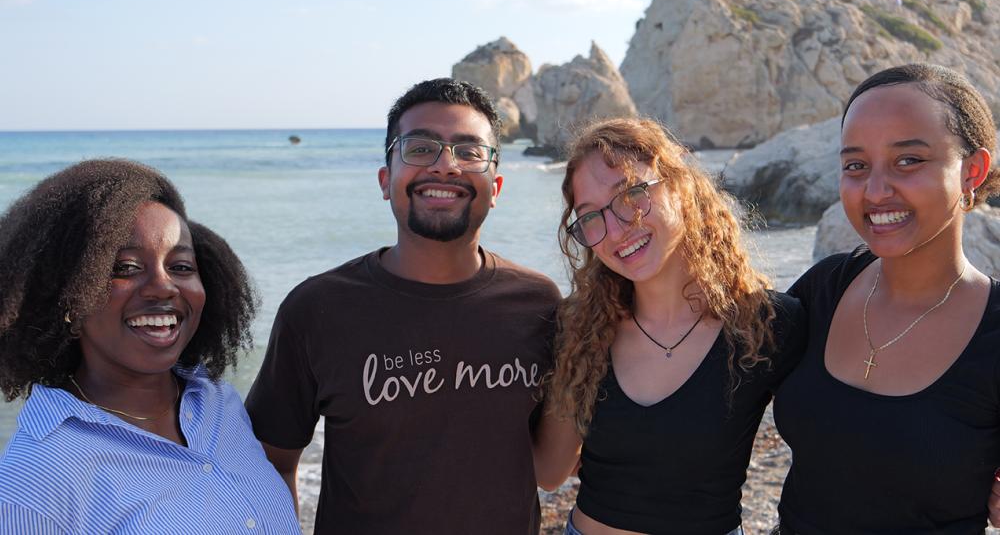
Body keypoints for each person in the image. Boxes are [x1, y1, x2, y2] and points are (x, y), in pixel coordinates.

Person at [245, 78, 561, 534]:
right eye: (419, 148)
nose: (445, 166)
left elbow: (552, 460)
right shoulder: (317, 309)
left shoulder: (538, 304)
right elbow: (271, 465)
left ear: (495, 186)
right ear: (385, 179)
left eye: (468, 151)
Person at [532, 117, 807, 535]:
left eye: (631, 194)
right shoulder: (581, 329)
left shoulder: (767, 325)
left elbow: (837, 439)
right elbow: (550, 471)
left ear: (680, 186)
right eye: (590, 217)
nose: (616, 229)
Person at [0, 159, 300, 533]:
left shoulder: (217, 403)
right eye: (124, 268)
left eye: (181, 266)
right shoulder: (38, 476)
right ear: (67, 299)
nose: (163, 287)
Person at [773, 63, 1000, 533]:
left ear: (971, 171)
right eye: (856, 165)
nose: (875, 191)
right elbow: (704, 358)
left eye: (908, 160)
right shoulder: (825, 288)